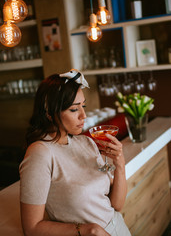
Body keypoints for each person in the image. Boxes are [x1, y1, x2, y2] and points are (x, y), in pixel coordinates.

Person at [19, 69, 131, 236]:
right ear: (49, 113)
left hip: (120, 229)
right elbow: (32, 228)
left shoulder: (85, 142)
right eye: (74, 109)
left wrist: (120, 165)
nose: (83, 115)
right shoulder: (40, 153)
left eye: (83, 106)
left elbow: (117, 205)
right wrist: (88, 230)